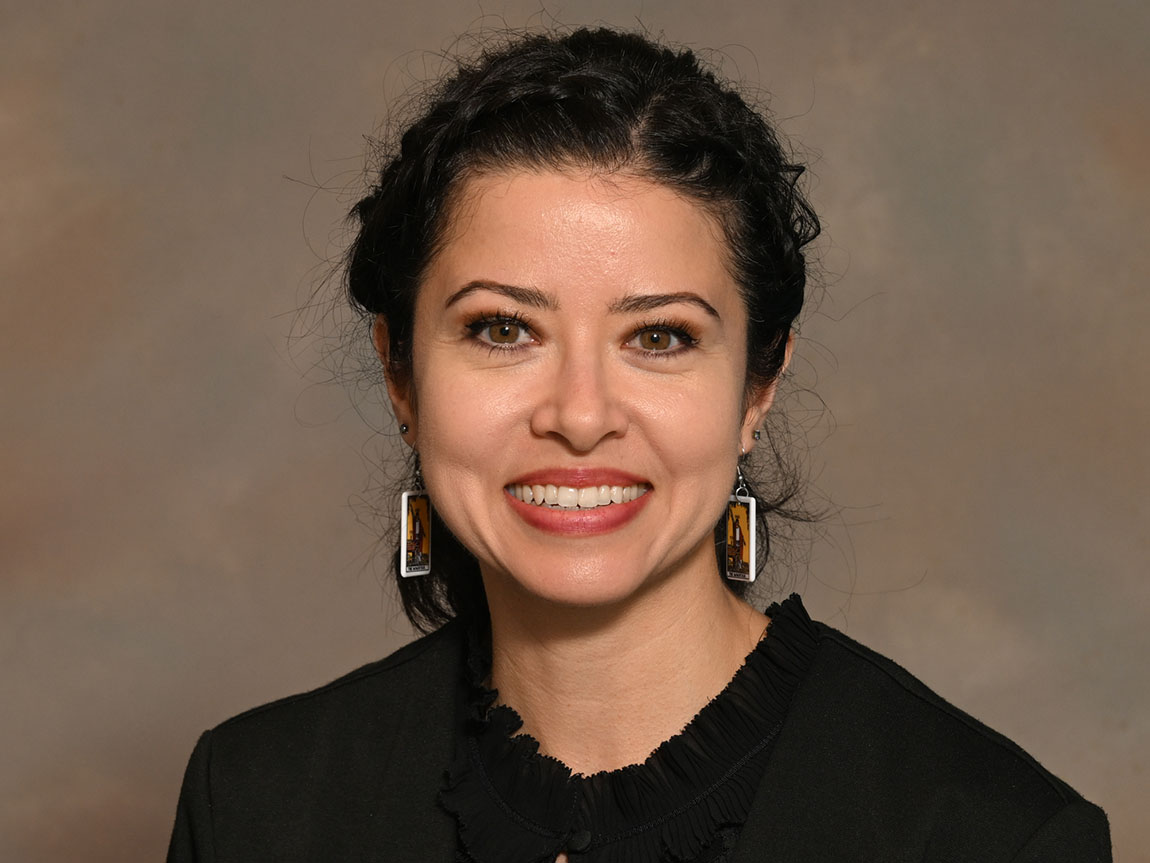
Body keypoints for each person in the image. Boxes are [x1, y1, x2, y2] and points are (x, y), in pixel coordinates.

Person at [167, 28, 1111, 862]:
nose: (581, 415)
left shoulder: (994, 837)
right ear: (400, 373)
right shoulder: (254, 804)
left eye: (659, 337)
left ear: (758, 384)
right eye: (503, 330)